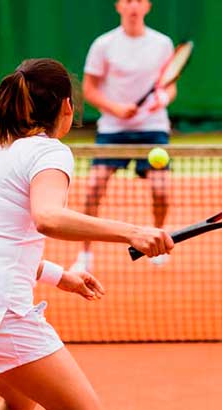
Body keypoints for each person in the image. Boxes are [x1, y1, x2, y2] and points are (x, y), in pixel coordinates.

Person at [0, 58, 173, 410]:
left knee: (18, 400)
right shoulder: (50, 152)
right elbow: (48, 218)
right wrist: (133, 232)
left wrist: (61, 276)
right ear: (67, 107)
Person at [71, 0, 176, 271]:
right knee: (93, 188)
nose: (133, 6)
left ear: (147, 6)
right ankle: (84, 254)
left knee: (161, 191)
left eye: (139, 1)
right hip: (113, 131)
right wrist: (116, 108)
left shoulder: (162, 43)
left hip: (153, 129)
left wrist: (161, 99)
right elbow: (90, 89)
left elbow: (169, 86)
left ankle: (158, 238)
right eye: (128, 1)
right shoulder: (103, 45)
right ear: (119, 6)